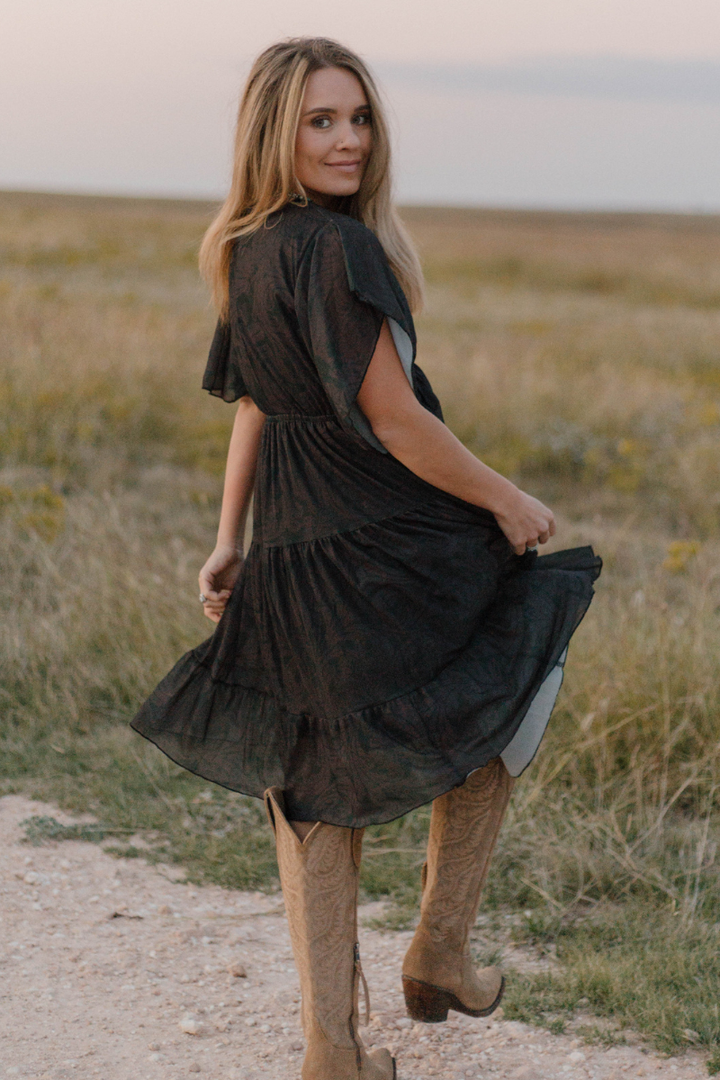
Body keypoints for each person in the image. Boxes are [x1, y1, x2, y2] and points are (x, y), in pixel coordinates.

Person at [131, 37, 601, 1080]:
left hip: (294, 549)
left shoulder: (244, 249)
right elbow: (394, 419)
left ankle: (331, 1051)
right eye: (320, 121)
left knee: (308, 781)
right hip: (392, 539)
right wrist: (509, 498)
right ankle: (438, 947)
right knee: (505, 684)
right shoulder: (338, 251)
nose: (349, 140)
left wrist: (230, 539)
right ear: (274, 132)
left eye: (359, 117)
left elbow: (255, 403)